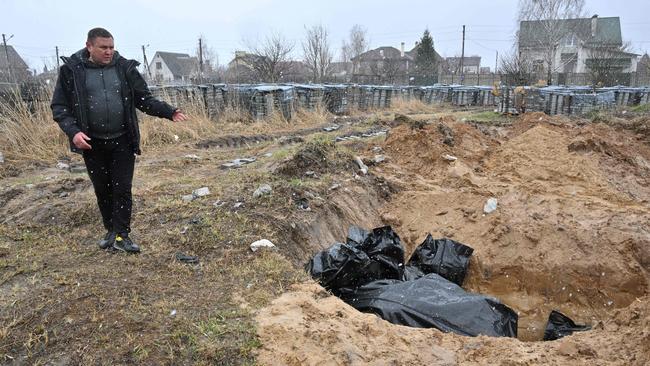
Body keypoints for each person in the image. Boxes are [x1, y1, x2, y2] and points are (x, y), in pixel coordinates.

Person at [51, 27, 188, 253]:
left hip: (122, 140)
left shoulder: (125, 69)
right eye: (103, 47)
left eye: (112, 47)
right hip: (91, 142)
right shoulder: (72, 71)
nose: (109, 52)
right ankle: (110, 231)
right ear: (89, 46)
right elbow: (59, 107)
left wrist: (169, 112)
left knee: (122, 188)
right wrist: (73, 132)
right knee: (102, 189)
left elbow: (144, 99)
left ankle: (123, 234)